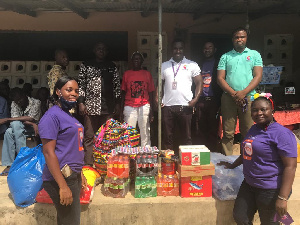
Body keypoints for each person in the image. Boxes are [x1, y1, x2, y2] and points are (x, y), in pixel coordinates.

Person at [219, 96, 297, 224]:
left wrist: (282, 198)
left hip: (271, 189)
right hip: (249, 185)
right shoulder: (254, 129)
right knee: (240, 217)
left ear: (272, 111)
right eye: (255, 110)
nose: (259, 113)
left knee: (269, 222)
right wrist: (232, 165)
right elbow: (248, 152)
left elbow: (291, 166)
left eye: (263, 109)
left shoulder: (282, 134)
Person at [38, 76, 87, 225]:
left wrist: (80, 172)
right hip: (61, 177)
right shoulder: (51, 116)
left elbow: (72, 147)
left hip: (73, 175)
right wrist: (63, 186)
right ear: (58, 92)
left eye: (76, 91)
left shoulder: (68, 115)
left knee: (67, 220)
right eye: (69, 90)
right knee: (70, 221)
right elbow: (48, 152)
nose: (74, 93)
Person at [217, 27, 263, 156]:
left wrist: (243, 92)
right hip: (228, 98)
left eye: (242, 37)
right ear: (233, 39)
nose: (239, 39)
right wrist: (233, 94)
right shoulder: (225, 56)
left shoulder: (254, 55)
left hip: (248, 97)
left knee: (248, 130)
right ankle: (227, 159)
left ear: (246, 38)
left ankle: (249, 159)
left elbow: (258, 76)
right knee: (228, 131)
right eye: (237, 37)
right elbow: (220, 78)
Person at [78, 42, 121, 166]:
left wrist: (118, 104)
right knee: (89, 136)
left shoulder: (111, 66)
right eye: (98, 49)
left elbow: (116, 86)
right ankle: (88, 166)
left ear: (106, 52)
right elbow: (81, 84)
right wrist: (81, 102)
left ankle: (105, 166)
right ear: (94, 50)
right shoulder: (86, 65)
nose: (101, 51)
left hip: (108, 108)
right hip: (90, 107)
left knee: (107, 138)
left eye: (103, 49)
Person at [160, 39, 203, 152]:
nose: (178, 51)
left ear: (184, 50)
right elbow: (159, 84)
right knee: (168, 137)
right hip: (167, 106)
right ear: (171, 50)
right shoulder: (164, 65)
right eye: (175, 48)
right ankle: (168, 164)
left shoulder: (192, 65)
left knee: (186, 137)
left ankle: (185, 164)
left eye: (180, 48)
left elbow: (199, 82)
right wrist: (157, 98)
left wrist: (196, 99)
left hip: (185, 106)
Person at [0, 87, 41, 175]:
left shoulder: (36, 102)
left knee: (13, 127)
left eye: (20, 99)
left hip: (34, 127)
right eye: (16, 100)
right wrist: (14, 119)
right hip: (21, 127)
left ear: (24, 95)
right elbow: (16, 119)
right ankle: (11, 163)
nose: (19, 102)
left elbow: (31, 118)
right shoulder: (15, 103)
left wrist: (7, 119)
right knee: (9, 132)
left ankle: (20, 159)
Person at [120, 51, 155, 147]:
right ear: (131, 61)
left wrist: (152, 110)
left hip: (144, 105)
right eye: (134, 59)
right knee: (129, 131)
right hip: (129, 106)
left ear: (142, 61)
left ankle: (145, 151)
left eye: (138, 59)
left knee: (144, 130)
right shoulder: (127, 74)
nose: (136, 60)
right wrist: (120, 110)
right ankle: (129, 152)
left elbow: (151, 92)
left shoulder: (147, 74)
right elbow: (123, 93)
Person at [194, 41, 223, 152]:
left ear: (214, 50)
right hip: (200, 100)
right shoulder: (198, 64)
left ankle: (212, 153)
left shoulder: (218, 63)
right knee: (199, 128)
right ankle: (201, 153)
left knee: (212, 128)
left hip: (213, 100)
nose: (207, 50)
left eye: (210, 47)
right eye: (205, 48)